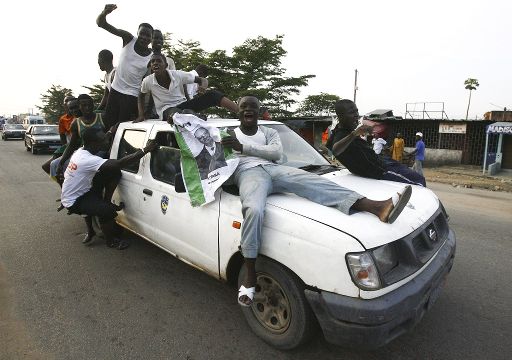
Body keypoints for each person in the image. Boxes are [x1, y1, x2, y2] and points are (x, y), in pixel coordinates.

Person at [221, 96, 413, 306]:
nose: (248, 110)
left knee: (314, 182)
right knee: (254, 209)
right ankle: (250, 275)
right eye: (243, 107)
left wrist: (244, 148)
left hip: (274, 169)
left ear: (259, 111)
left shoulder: (269, 131)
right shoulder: (228, 134)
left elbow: (276, 153)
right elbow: (217, 161)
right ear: (237, 111)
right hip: (249, 173)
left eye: (253, 107)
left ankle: (377, 207)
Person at [61, 128, 158, 249]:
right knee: (107, 211)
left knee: (113, 173)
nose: (107, 141)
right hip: (75, 200)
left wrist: (110, 132)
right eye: (103, 140)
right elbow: (118, 163)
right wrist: (145, 150)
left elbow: (111, 163)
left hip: (80, 192)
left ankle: (103, 205)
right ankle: (111, 241)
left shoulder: (81, 151)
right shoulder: (86, 159)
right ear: (93, 144)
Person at [326, 99, 426, 187]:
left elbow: (328, 146)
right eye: (352, 112)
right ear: (340, 116)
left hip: (383, 161)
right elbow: (335, 150)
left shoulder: (340, 131)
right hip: (381, 170)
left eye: (357, 111)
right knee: (419, 181)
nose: (356, 115)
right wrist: (355, 133)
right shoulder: (342, 134)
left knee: (413, 174)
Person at [96, 4, 153, 128]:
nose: (144, 37)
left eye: (148, 35)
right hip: (116, 90)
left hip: (132, 95)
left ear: (151, 39)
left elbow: (152, 82)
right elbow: (101, 23)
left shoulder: (151, 56)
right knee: (108, 125)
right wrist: (105, 12)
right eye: (142, 34)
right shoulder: (128, 39)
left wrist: (146, 110)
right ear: (137, 33)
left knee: (120, 126)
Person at [135, 54, 238, 122]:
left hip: (184, 106)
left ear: (166, 65)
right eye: (152, 62)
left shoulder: (178, 75)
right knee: (176, 113)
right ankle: (196, 119)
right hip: (167, 111)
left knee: (214, 95)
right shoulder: (148, 81)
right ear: (151, 66)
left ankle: (240, 112)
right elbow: (141, 96)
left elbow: (203, 80)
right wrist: (141, 115)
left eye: (158, 61)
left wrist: (203, 87)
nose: (155, 63)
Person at [55, 94, 107, 186]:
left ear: (93, 105)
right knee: (68, 168)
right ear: (79, 107)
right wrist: (62, 161)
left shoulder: (102, 117)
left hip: (102, 151)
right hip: (85, 153)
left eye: (89, 105)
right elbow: (71, 145)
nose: (87, 108)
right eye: (83, 106)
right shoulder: (76, 123)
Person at [42, 96, 77, 177]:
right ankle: (62, 184)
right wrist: (65, 148)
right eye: (66, 102)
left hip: (78, 146)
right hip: (69, 146)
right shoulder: (63, 119)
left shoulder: (78, 116)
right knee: (47, 166)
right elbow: (62, 135)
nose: (68, 104)